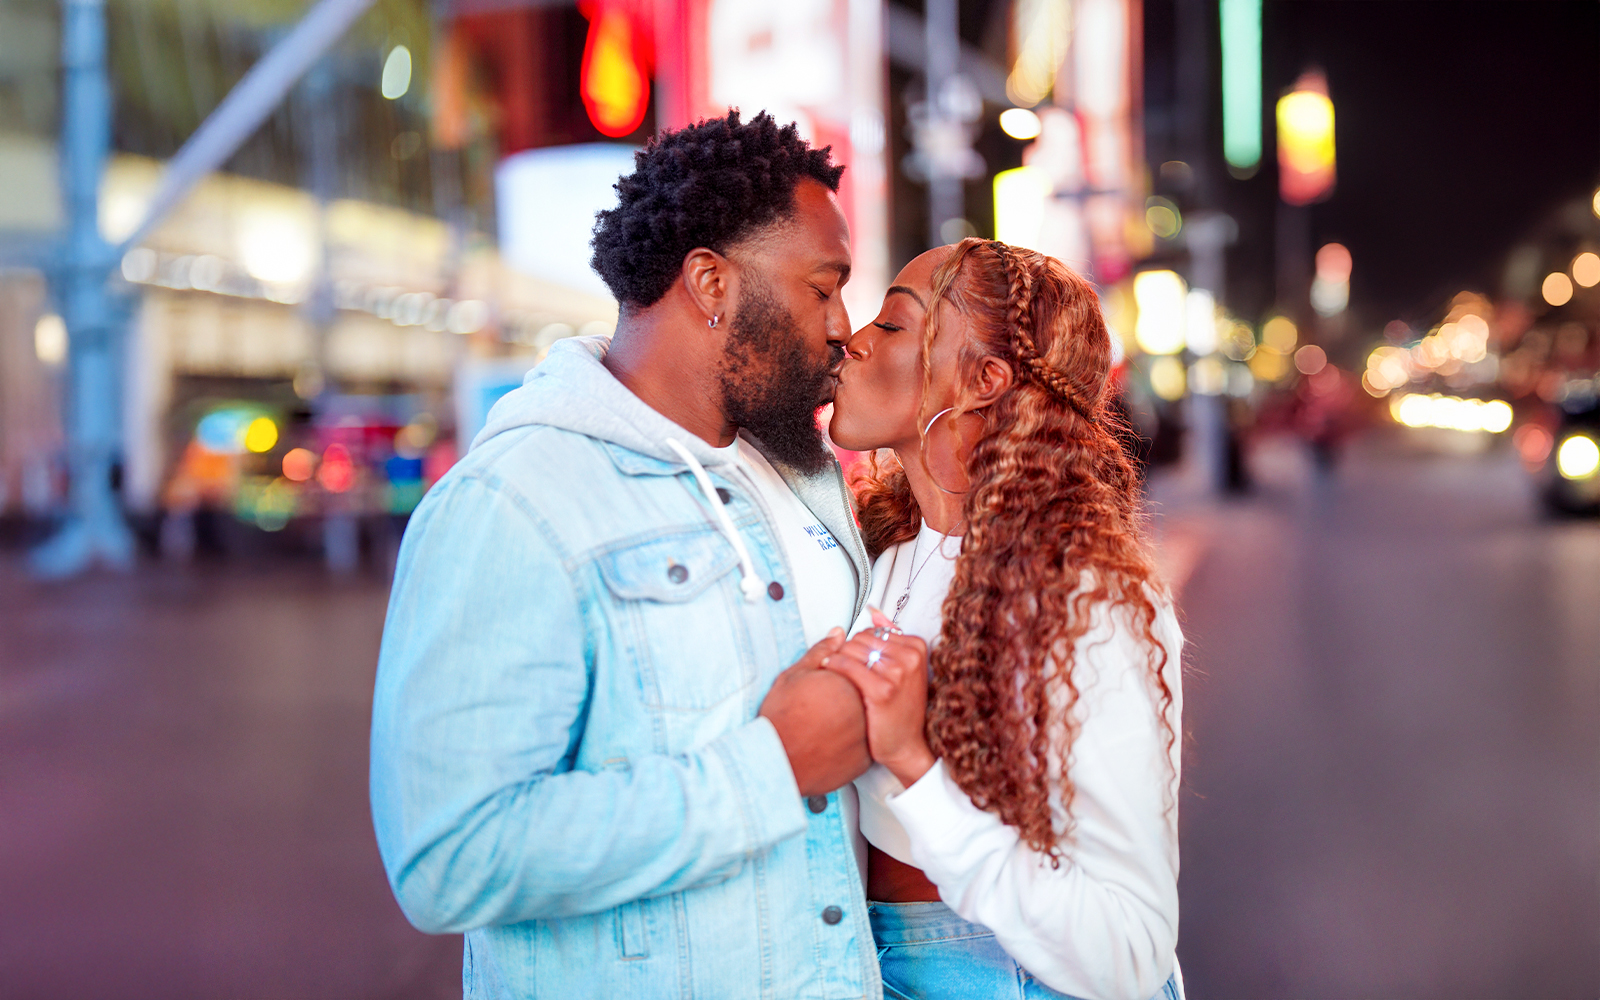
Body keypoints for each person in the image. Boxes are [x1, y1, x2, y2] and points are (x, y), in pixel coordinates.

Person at [369, 111, 893, 999]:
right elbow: (448, 855)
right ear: (710, 282)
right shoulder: (515, 501)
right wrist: (772, 768)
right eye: (823, 287)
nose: (845, 324)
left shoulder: (802, 471)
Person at [821, 238, 1186, 1000]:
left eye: (891, 325)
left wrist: (917, 762)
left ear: (983, 380)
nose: (850, 341)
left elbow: (1129, 952)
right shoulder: (880, 552)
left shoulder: (1082, 595)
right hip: (879, 965)